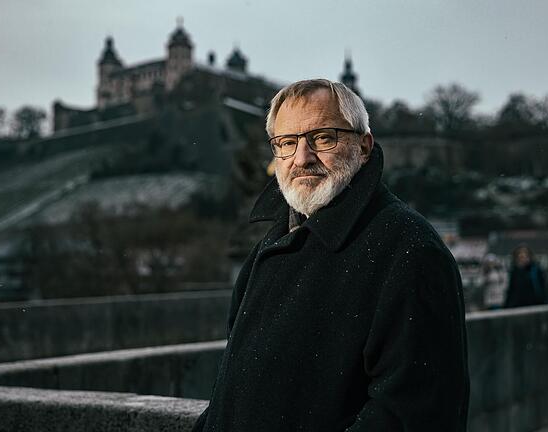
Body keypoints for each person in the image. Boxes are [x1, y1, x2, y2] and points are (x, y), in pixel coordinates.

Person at [193, 79, 469, 431]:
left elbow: (413, 416)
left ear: (364, 146)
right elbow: (231, 394)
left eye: (323, 138)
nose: (302, 158)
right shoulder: (272, 244)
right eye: (287, 143)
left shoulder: (410, 249)